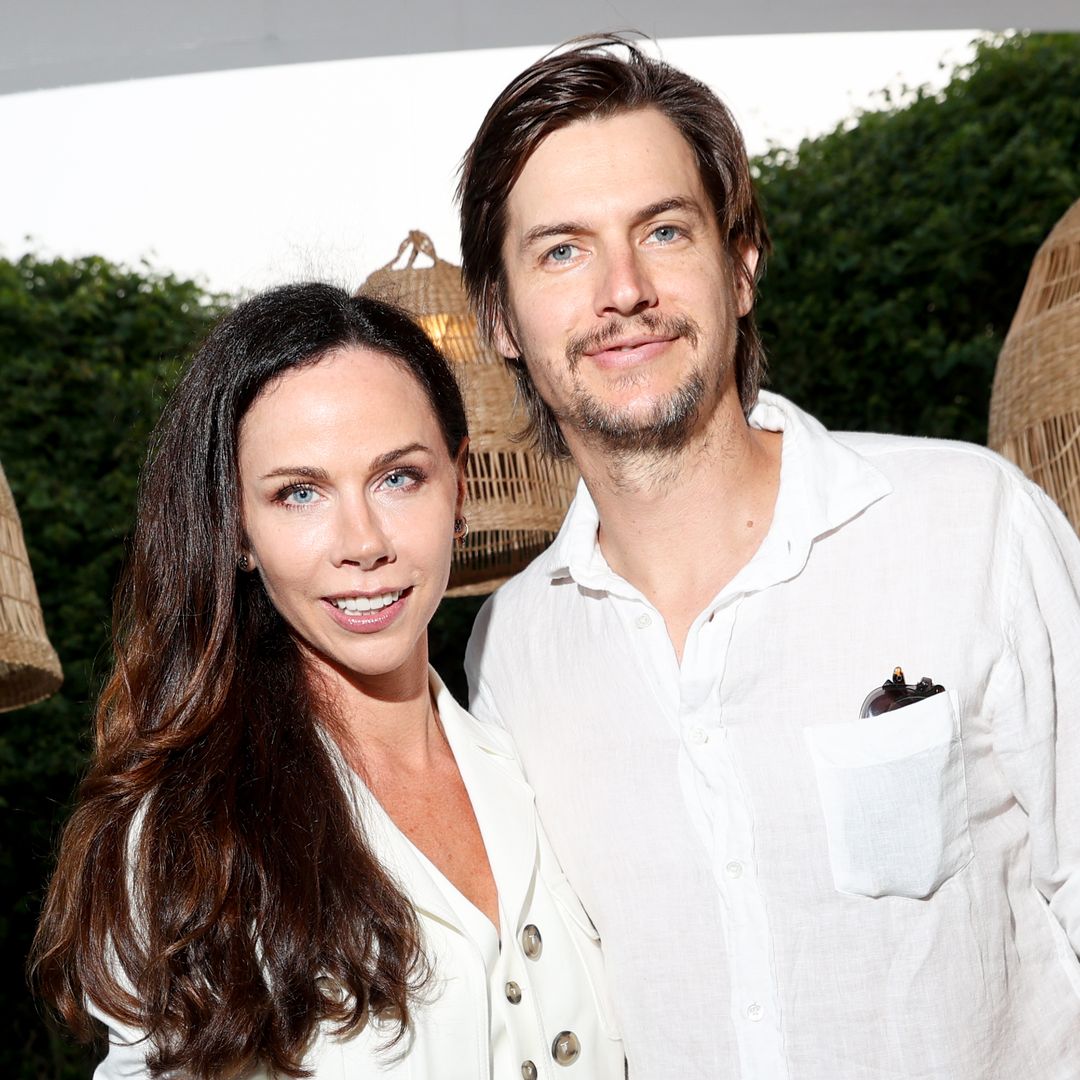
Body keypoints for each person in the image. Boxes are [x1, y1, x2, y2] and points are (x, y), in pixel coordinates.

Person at [458, 34, 1080, 1079]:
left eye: (662, 230)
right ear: (502, 320)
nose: (622, 290)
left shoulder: (970, 526)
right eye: (561, 251)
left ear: (740, 264)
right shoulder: (512, 655)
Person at [30, 284, 624, 1080]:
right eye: (300, 493)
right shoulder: (184, 841)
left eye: (398, 478)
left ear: (460, 488)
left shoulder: (535, 759)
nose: (362, 542)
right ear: (238, 530)